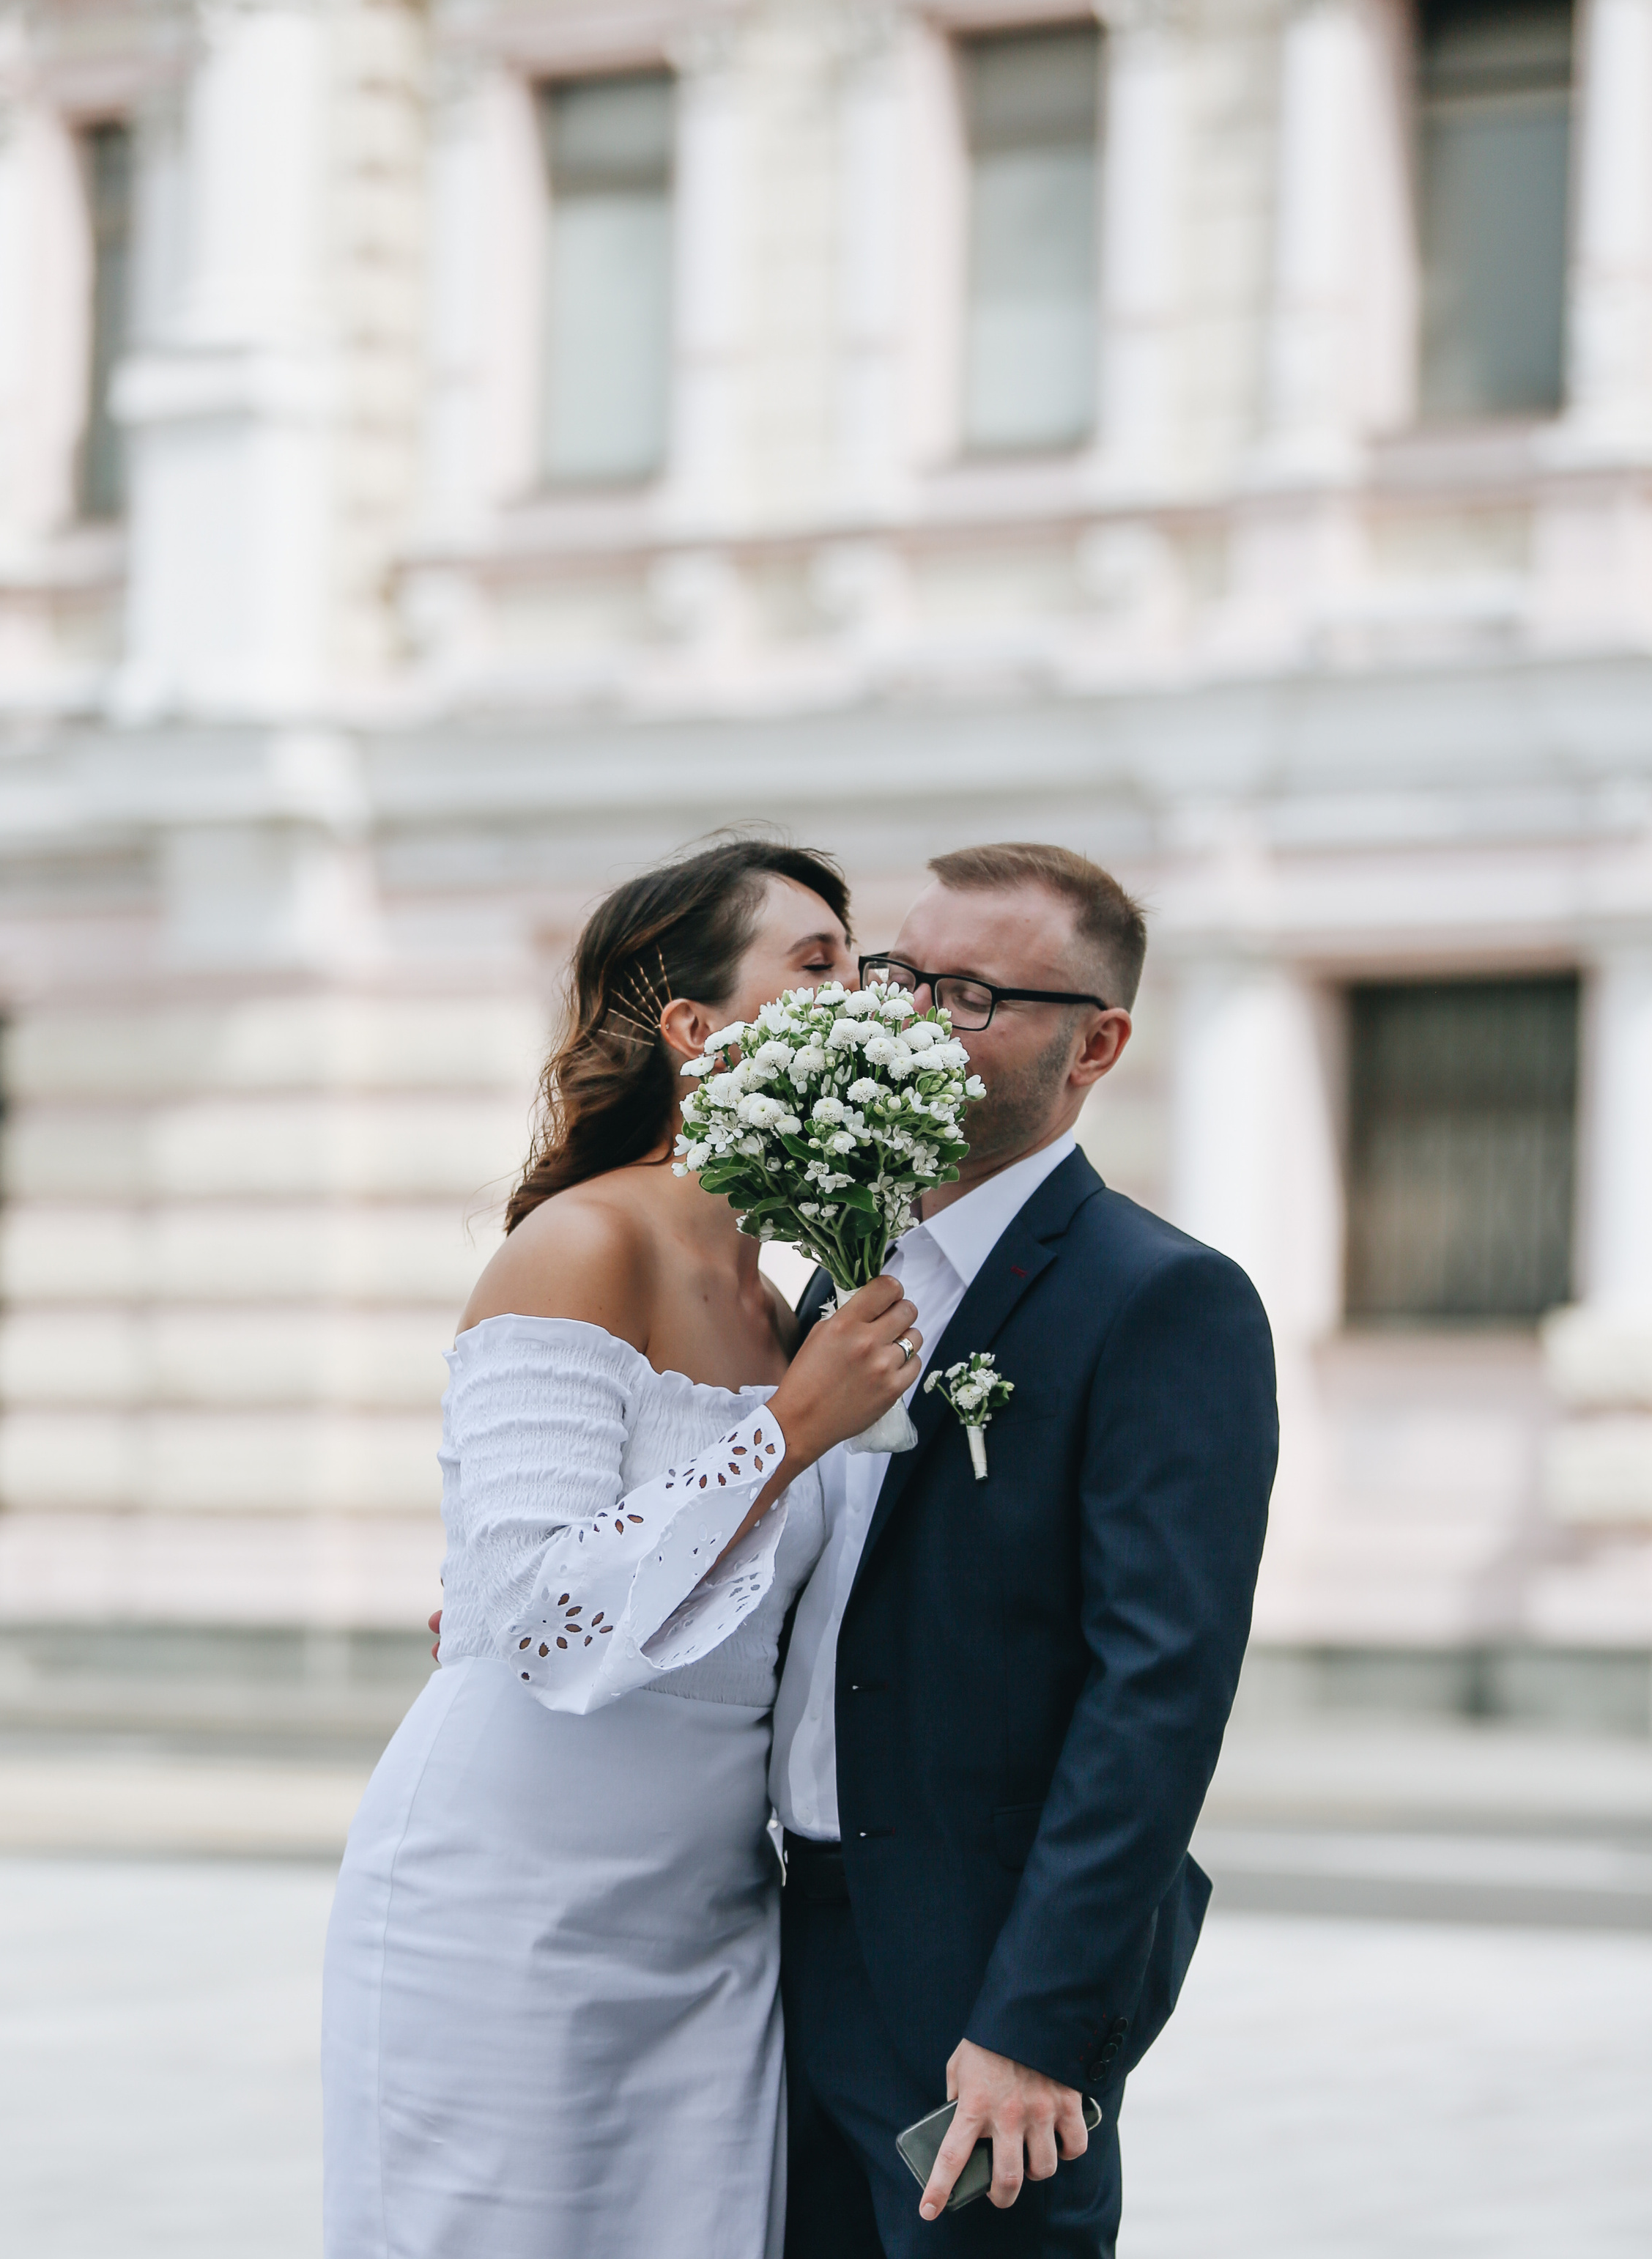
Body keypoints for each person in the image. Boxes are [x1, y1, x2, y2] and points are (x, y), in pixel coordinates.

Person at [320, 838, 925, 2259]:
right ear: (693, 1028)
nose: (865, 994)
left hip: (707, 1908)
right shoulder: (579, 1242)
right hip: (511, 1893)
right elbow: (532, 1613)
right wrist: (785, 1429)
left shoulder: (787, 1284)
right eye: (817, 963)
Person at [774, 842, 1278, 2259]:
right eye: (902, 976)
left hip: (979, 1978)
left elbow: (1160, 1691)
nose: (913, 1017)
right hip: (782, 1933)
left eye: (973, 993)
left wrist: (1038, 2023)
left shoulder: (1165, 1301)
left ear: (1096, 1045)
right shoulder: (834, 1267)